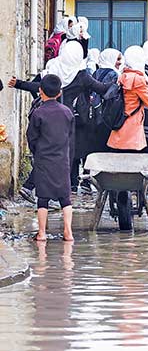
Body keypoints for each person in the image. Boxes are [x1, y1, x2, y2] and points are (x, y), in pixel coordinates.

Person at [12, 41, 109, 193]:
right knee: (64, 155)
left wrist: (18, 83)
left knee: (47, 153)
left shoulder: (53, 68)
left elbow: (37, 86)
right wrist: (118, 83)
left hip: (46, 116)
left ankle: (32, 187)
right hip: (67, 118)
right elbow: (102, 89)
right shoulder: (82, 75)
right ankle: (54, 192)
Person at [27, 75, 76, 242]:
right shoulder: (67, 112)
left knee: (43, 198)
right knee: (65, 197)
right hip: (62, 159)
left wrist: (37, 152)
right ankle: (68, 232)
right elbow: (70, 136)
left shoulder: (38, 113)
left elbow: (31, 137)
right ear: (59, 92)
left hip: (43, 159)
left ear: (40, 91)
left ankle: (41, 233)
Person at [107, 46, 148, 151]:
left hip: (120, 121)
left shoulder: (122, 75)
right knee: (132, 161)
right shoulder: (138, 79)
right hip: (133, 126)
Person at [90, 48, 122, 153]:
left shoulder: (96, 72)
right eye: (117, 59)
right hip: (107, 114)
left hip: (95, 112)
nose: (119, 62)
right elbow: (111, 96)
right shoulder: (113, 74)